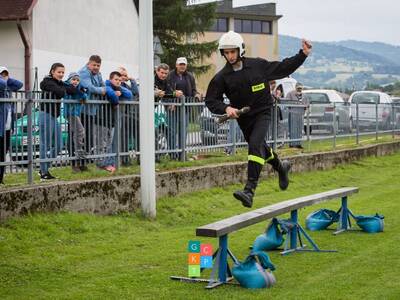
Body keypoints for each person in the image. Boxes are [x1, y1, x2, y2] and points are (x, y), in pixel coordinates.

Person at [205, 31, 312, 208]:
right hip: (244, 118)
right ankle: (281, 167)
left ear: (240, 50)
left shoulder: (258, 66)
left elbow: (283, 68)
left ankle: (249, 190)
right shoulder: (222, 77)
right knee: (261, 148)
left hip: (263, 112)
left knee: (255, 144)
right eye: (226, 52)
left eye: (233, 52)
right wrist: (227, 108)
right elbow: (211, 100)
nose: (230, 56)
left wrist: (303, 55)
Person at [39, 63, 79, 180]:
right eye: (59, 72)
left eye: (63, 72)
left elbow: (72, 90)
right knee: (44, 144)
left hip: (53, 117)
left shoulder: (60, 83)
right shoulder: (47, 81)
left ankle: (43, 167)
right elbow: (61, 92)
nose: (61, 74)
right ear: (52, 72)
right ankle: (44, 172)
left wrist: (74, 88)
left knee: (59, 145)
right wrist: (65, 88)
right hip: (45, 115)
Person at [97, 71, 133, 172]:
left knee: (111, 142)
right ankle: (102, 164)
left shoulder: (119, 87)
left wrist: (120, 91)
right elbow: (111, 94)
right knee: (103, 143)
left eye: (120, 80)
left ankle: (109, 163)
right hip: (102, 119)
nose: (118, 82)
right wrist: (116, 98)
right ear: (110, 79)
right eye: (116, 80)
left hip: (112, 120)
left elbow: (129, 94)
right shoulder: (106, 85)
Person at [78, 55, 106, 163]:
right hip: (82, 110)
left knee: (89, 137)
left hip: (92, 111)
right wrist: (101, 90)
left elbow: (103, 86)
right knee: (82, 137)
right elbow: (90, 87)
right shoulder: (84, 72)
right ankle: (80, 161)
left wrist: (101, 89)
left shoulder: (98, 74)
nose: (96, 67)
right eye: (94, 65)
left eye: (98, 65)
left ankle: (85, 159)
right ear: (89, 63)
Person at [0, 66, 23, 184]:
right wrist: (3, 79)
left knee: (4, 152)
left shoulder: (7, 87)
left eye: (6, 74)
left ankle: (0, 178)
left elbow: (19, 84)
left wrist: (7, 78)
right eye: (2, 74)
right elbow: (2, 84)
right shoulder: (2, 87)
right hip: (0, 127)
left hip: (7, 128)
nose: (4, 76)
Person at [63, 72, 88, 172]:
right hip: (70, 113)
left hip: (76, 113)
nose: (75, 82)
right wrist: (81, 95)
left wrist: (83, 95)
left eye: (77, 80)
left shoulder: (79, 88)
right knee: (80, 131)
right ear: (69, 80)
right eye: (73, 79)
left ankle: (79, 156)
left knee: (78, 133)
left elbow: (85, 96)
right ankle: (78, 152)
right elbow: (78, 96)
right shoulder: (68, 87)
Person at [118, 66, 139, 165]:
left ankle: (139, 157)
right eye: (121, 75)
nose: (123, 77)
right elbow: (129, 95)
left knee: (136, 136)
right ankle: (124, 160)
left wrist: (132, 80)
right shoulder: (117, 86)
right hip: (121, 115)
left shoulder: (126, 86)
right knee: (124, 138)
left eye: (125, 75)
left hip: (130, 115)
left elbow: (135, 93)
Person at [286, 82, 305, 149]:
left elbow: (306, 102)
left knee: (299, 129)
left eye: (301, 88)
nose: (300, 89)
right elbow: (287, 102)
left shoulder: (303, 95)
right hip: (293, 113)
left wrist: (306, 106)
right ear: (296, 87)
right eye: (298, 88)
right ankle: (292, 143)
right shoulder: (290, 93)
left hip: (300, 114)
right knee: (293, 129)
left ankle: (298, 143)